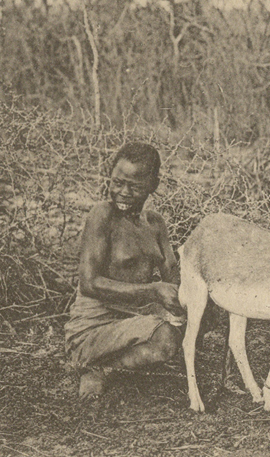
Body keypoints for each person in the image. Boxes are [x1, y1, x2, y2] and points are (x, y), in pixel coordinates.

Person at [66, 142, 185, 398]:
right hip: (94, 329)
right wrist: (153, 291)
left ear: (153, 185)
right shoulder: (102, 216)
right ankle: (101, 368)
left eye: (135, 186)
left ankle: (128, 357)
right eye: (117, 182)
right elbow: (89, 283)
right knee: (166, 340)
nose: (123, 192)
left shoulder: (155, 224)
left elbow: (173, 277)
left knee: (203, 317)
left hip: (133, 321)